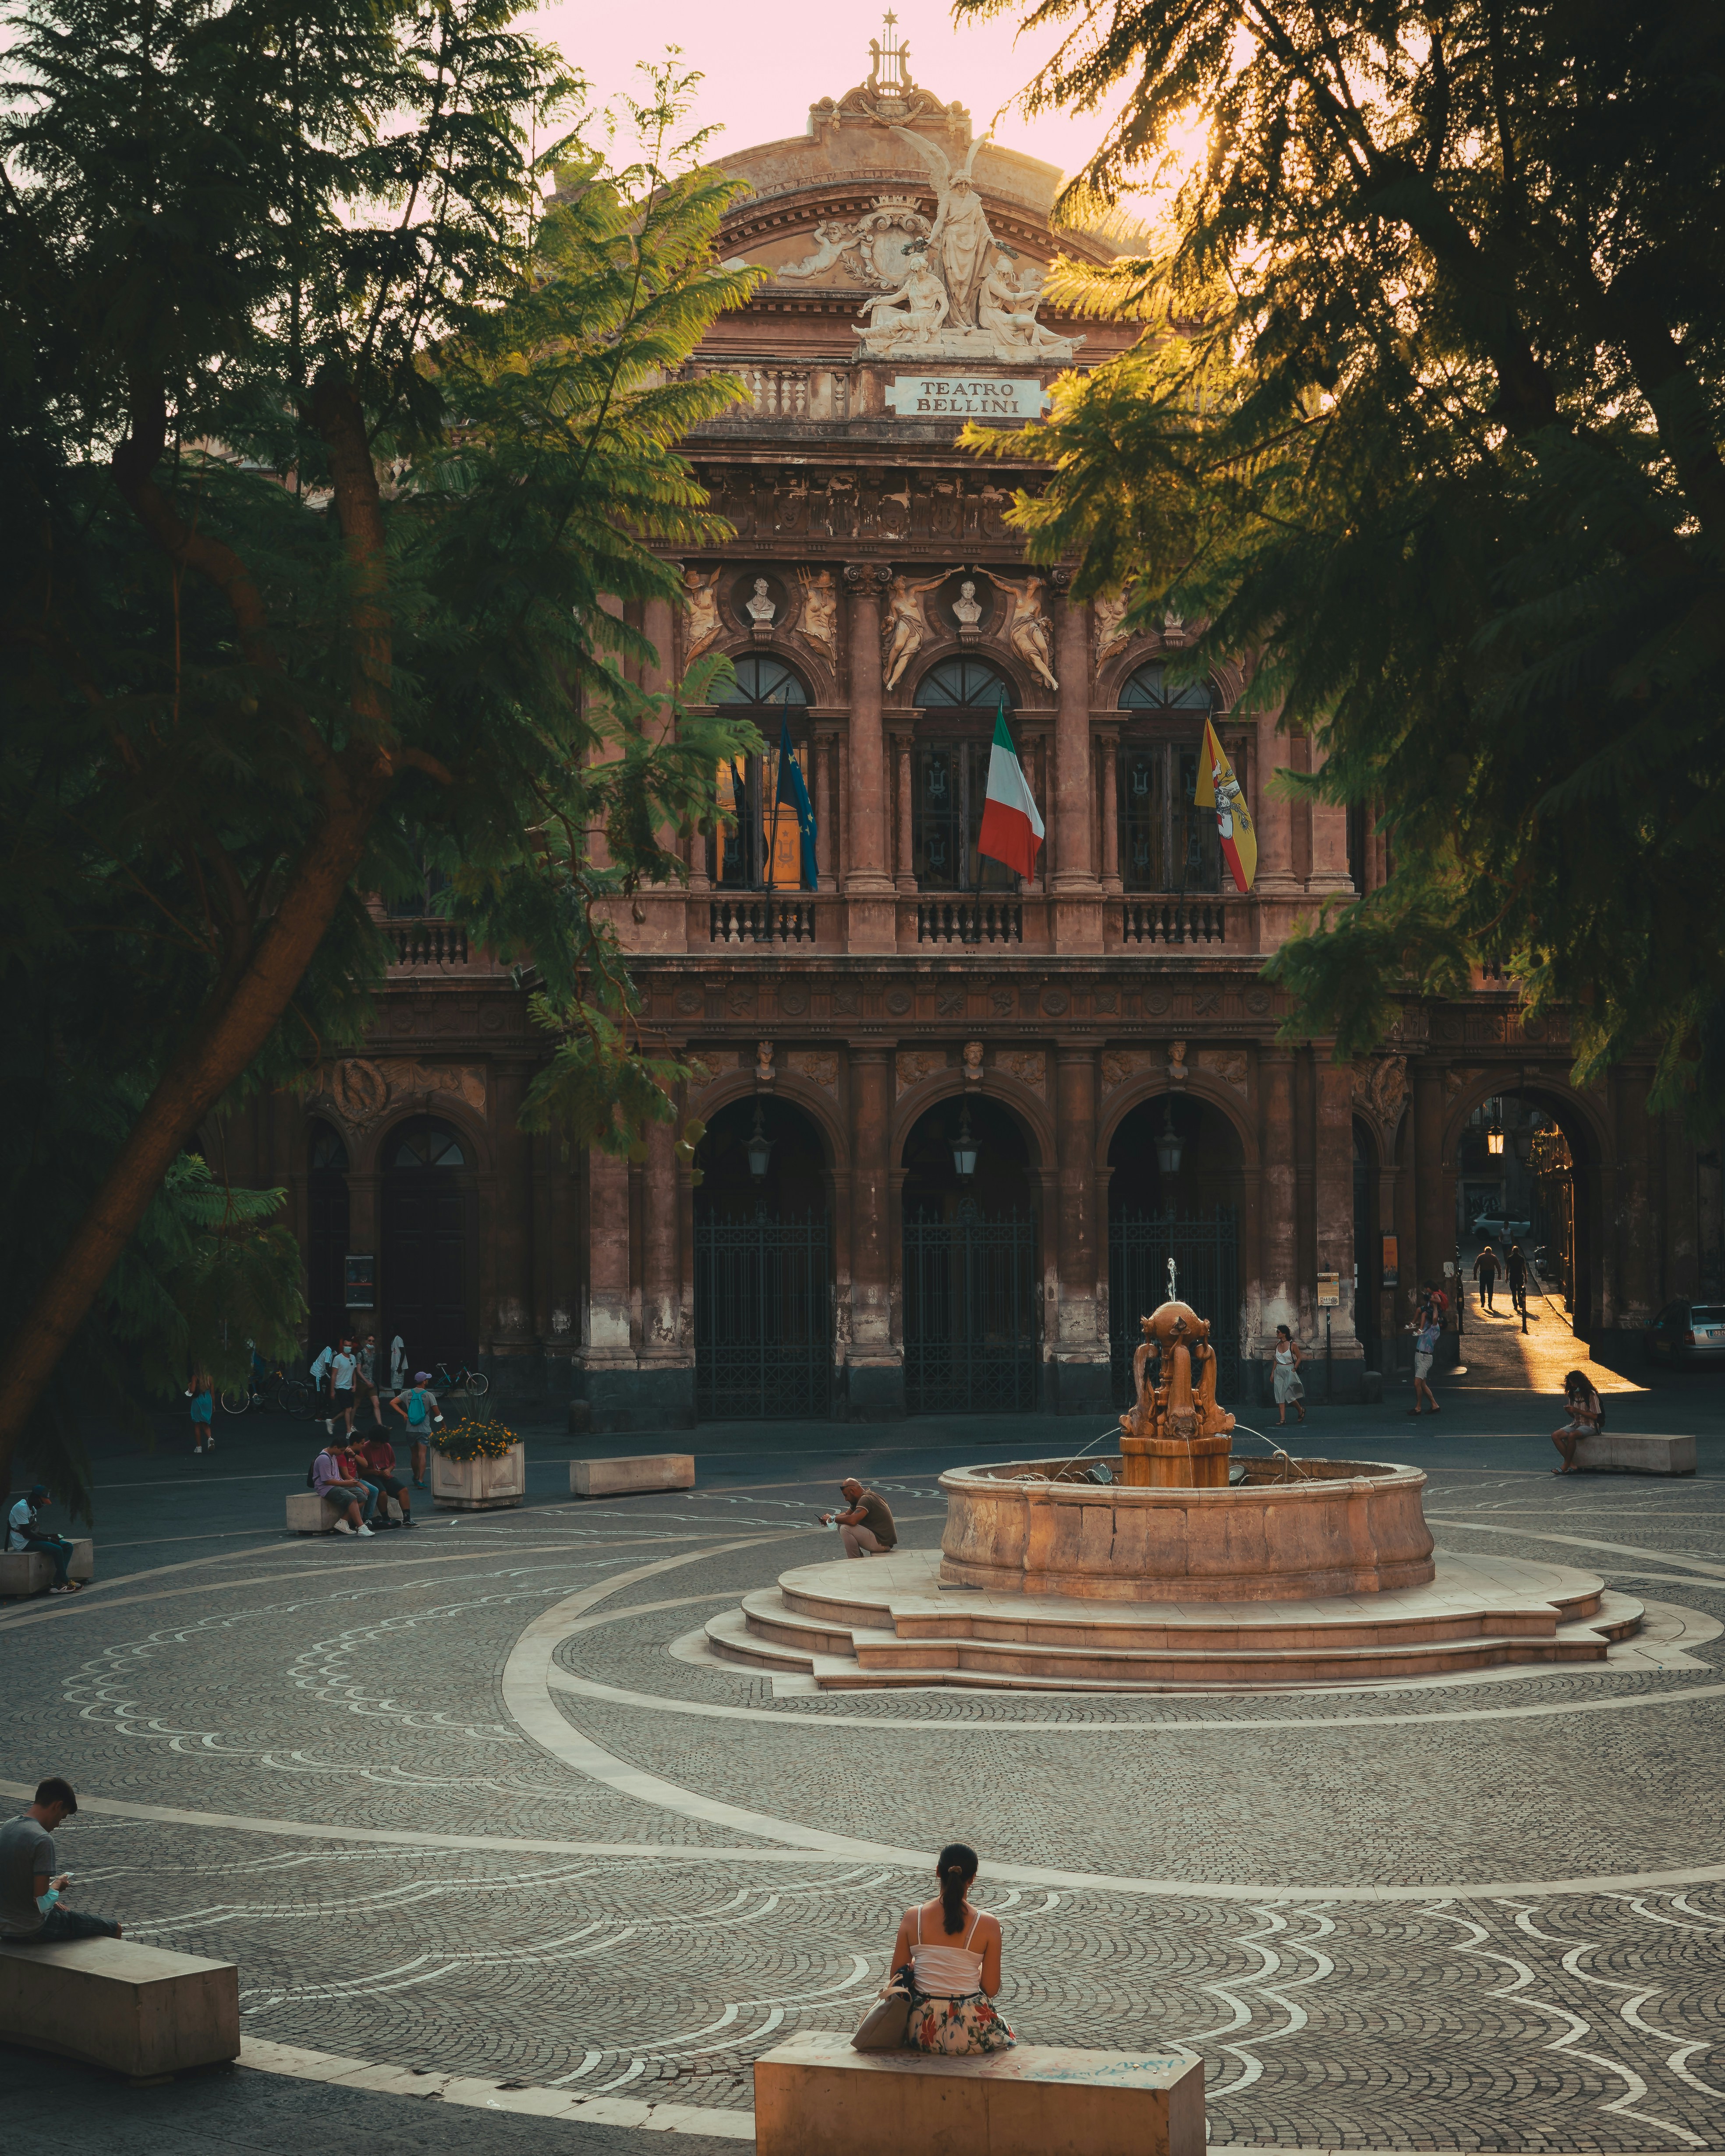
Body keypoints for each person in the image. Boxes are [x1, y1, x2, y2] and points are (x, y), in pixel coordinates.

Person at [884, 1844, 1014, 2057]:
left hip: (921, 2028)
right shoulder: (988, 1924)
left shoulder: (913, 1917)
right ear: (972, 1879)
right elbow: (991, 1989)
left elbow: (896, 1978)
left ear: (938, 1872)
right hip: (968, 2028)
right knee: (1006, 2033)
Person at [0, 1778, 121, 1942]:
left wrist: (50, 1899)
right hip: (33, 1928)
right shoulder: (42, 1839)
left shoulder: (8, 1827)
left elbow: (16, 1882)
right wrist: (58, 1884)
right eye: (62, 1817)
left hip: (5, 1927)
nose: (58, 1824)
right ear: (57, 1806)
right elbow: (41, 1902)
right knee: (115, 1928)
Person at [4, 1486, 81, 1593]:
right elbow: (28, 1534)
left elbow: (34, 1531)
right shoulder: (21, 1508)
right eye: (43, 1502)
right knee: (58, 1550)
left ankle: (57, 1581)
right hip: (23, 1543)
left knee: (68, 1546)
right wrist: (49, 1540)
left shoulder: (33, 1508)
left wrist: (51, 1536)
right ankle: (63, 1581)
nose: (43, 1505)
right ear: (35, 1497)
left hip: (31, 1539)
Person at [312, 1438, 376, 1536]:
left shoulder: (333, 1455)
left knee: (362, 1497)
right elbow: (327, 1481)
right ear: (335, 1447)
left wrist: (347, 1482)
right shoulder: (324, 1459)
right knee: (352, 1498)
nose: (343, 1453)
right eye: (342, 1451)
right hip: (326, 1488)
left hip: (336, 1484)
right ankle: (361, 1527)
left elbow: (336, 1476)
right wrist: (347, 1484)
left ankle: (343, 1522)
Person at [389, 1373, 443, 1488]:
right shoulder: (429, 1395)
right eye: (427, 1380)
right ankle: (421, 1481)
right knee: (422, 1455)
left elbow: (392, 1403)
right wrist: (443, 1425)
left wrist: (404, 1414)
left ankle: (416, 1476)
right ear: (424, 1382)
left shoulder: (407, 1394)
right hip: (424, 1430)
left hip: (410, 1430)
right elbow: (438, 1414)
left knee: (414, 1455)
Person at [819, 1478, 896, 1558]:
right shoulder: (863, 1498)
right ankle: (858, 1557)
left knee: (845, 1528)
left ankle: (855, 1560)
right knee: (841, 1524)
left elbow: (853, 1521)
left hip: (883, 1544)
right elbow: (846, 1515)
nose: (846, 1499)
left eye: (846, 1496)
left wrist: (833, 1519)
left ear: (852, 1491)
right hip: (882, 1541)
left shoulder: (866, 1499)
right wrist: (830, 1520)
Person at [353, 1431, 414, 1528]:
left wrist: (388, 1470)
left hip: (385, 1476)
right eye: (377, 1442)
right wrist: (373, 1472)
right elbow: (360, 1471)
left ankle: (407, 1518)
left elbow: (393, 1463)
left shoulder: (387, 1446)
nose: (379, 1445)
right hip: (370, 1476)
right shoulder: (364, 1448)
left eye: (381, 1443)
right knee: (382, 1493)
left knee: (404, 1490)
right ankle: (386, 1517)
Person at [1551, 1370, 1604, 1473]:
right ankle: (1571, 1463)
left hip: (1590, 1425)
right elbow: (1574, 1416)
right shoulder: (1572, 1394)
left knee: (1572, 1435)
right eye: (1571, 1384)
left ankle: (1566, 1465)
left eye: (1574, 1383)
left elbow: (1595, 1416)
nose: (1573, 1386)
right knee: (1555, 1436)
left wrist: (1576, 1410)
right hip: (1576, 1424)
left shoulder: (1591, 1395)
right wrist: (1570, 1411)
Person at [1270, 1325, 1306, 1426]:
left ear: (1284, 1334)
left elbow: (1299, 1358)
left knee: (1289, 1394)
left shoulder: (1292, 1344)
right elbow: (1276, 1360)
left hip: (1289, 1370)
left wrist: (1295, 1368)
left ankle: (1301, 1410)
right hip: (1279, 1370)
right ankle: (1282, 1419)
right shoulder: (1277, 1345)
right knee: (1279, 1394)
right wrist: (1273, 1372)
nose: (1277, 1334)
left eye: (1278, 1332)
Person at [1407, 1309, 1441, 1416]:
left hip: (1426, 1357)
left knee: (1417, 1383)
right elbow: (1424, 1313)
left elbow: (1434, 1318)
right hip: (1419, 1355)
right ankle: (1435, 1405)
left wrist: (1435, 1305)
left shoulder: (1435, 1330)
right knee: (1423, 1384)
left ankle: (1418, 1408)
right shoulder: (1425, 1327)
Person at [328, 1337, 359, 1437]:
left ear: (352, 1346)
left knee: (348, 1410)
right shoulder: (338, 1359)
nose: (348, 1347)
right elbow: (333, 1375)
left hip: (349, 1387)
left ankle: (332, 1421)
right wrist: (332, 1391)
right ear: (343, 1346)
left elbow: (354, 1373)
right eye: (346, 1345)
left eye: (349, 1346)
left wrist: (355, 1384)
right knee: (348, 1409)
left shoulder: (353, 1358)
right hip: (340, 1386)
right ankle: (349, 1432)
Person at [187, 1370, 214, 1454]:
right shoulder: (210, 1378)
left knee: (198, 1424)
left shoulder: (195, 1377)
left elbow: (192, 1390)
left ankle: (199, 1447)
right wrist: (213, 1405)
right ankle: (210, 1438)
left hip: (198, 1401)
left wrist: (189, 1386)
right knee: (205, 1423)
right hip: (208, 1399)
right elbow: (213, 1393)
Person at [1506, 1243, 1530, 1329]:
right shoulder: (1521, 1258)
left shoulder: (1510, 1258)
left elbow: (1508, 1268)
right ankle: (1520, 1302)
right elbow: (1524, 1268)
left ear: (1513, 1251)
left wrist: (1506, 1277)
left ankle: (1515, 1304)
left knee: (1513, 1291)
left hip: (1513, 1276)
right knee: (1520, 1290)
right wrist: (1526, 1277)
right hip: (1520, 1276)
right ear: (1518, 1251)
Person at [1474, 1242, 1500, 1311]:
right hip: (1491, 1273)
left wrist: (1475, 1275)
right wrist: (1499, 1275)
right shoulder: (1494, 1257)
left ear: (1485, 1251)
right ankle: (1490, 1303)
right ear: (1491, 1252)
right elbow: (1498, 1266)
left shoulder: (1481, 1257)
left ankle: (1483, 1302)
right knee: (1490, 1289)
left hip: (1483, 1273)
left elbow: (1476, 1266)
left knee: (1482, 1288)